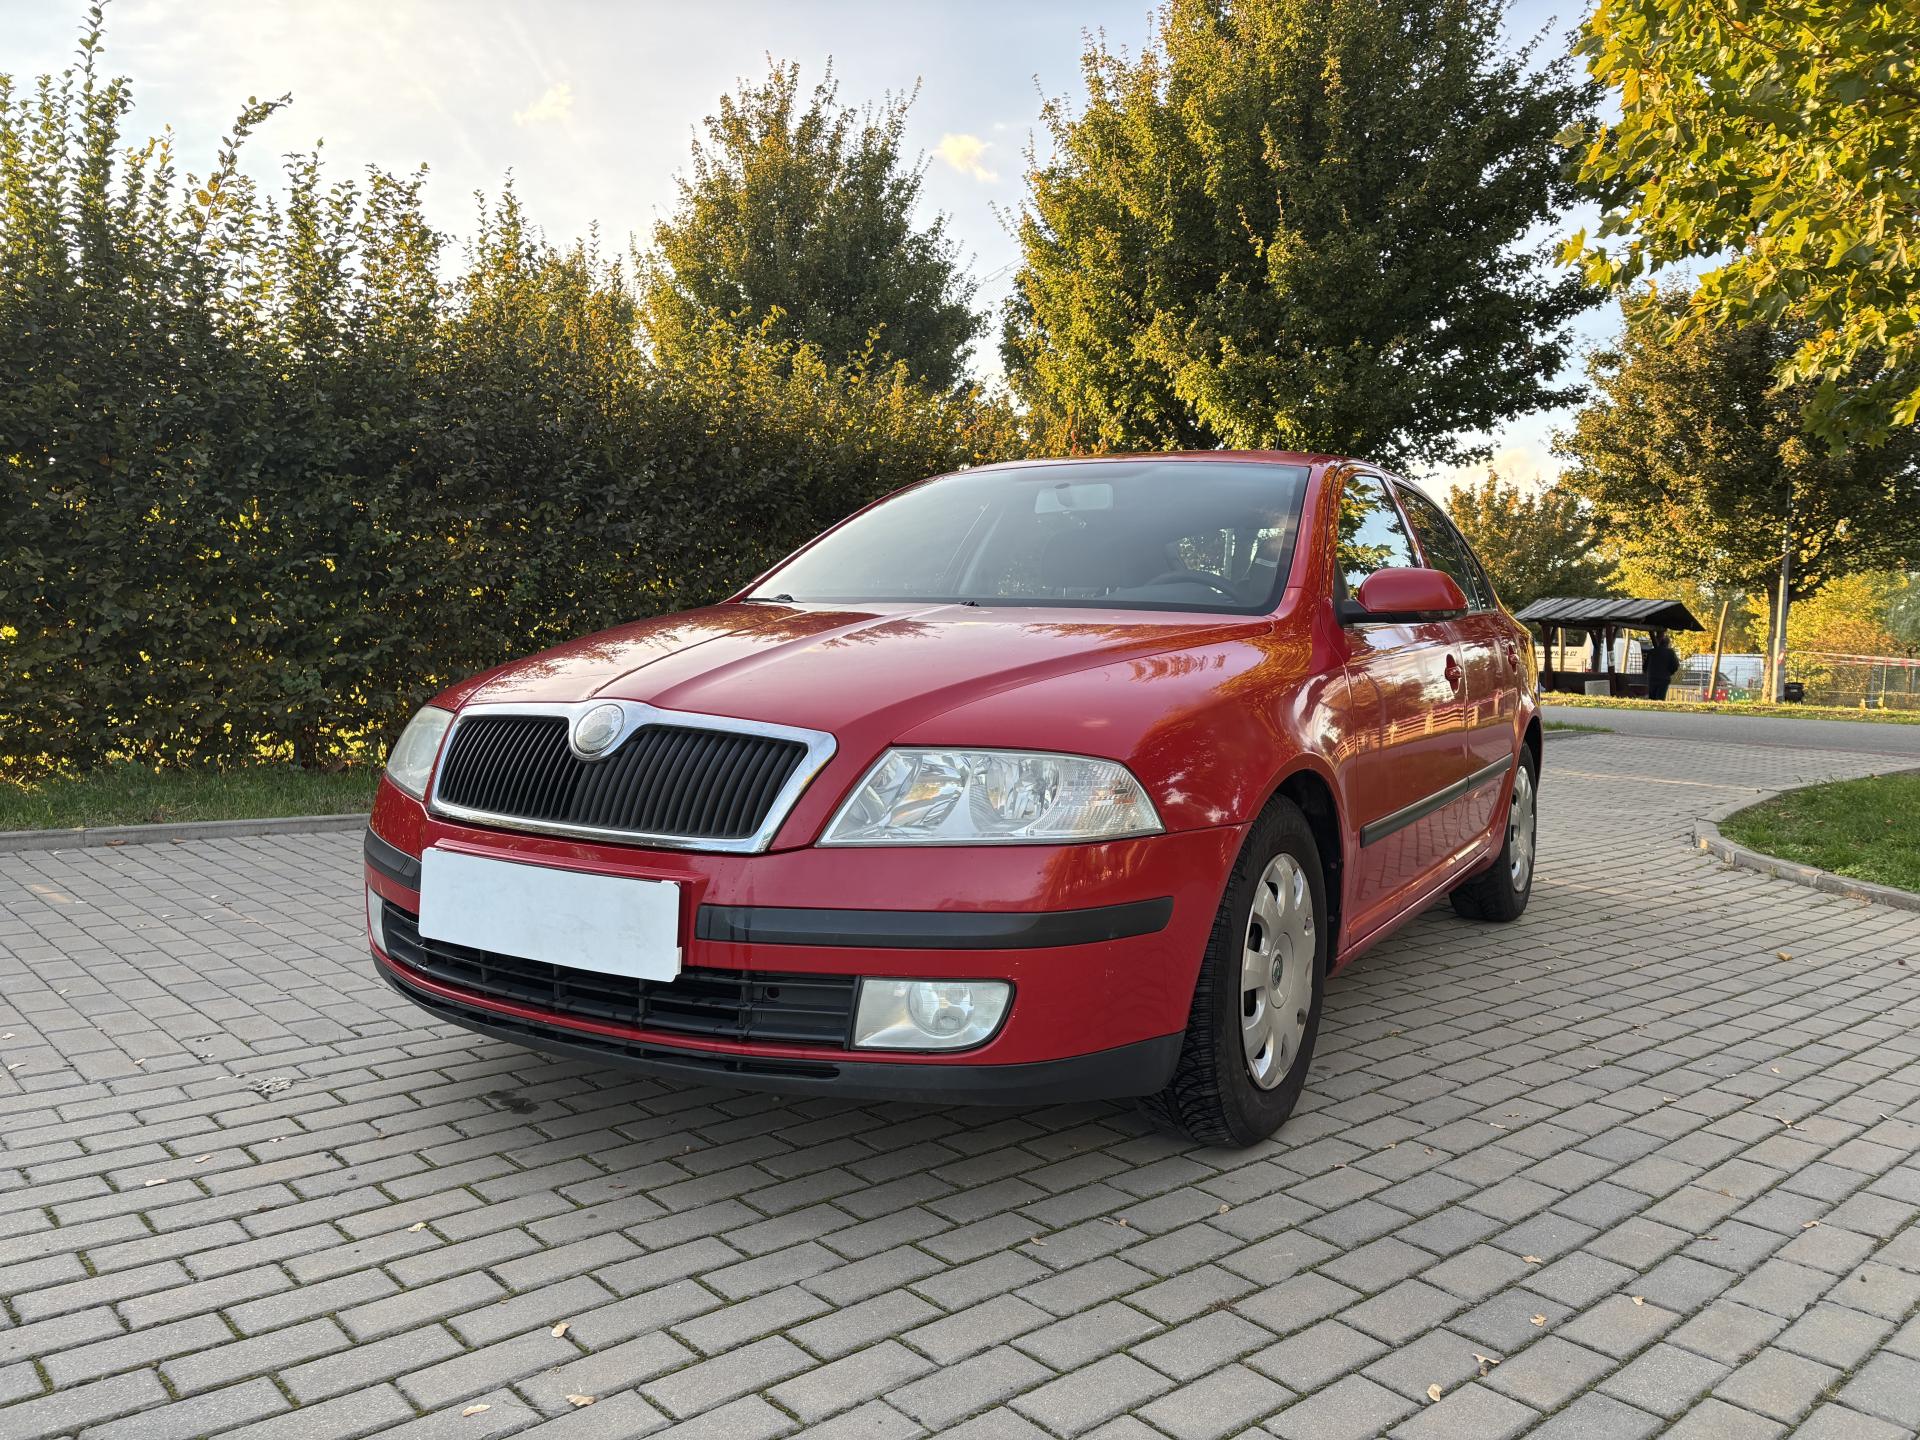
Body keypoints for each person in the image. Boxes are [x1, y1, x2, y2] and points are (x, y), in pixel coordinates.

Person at [1644, 628, 1680, 700]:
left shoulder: (1651, 652)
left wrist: (1648, 673)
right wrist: (1669, 673)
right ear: (1667, 644)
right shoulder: (1670, 653)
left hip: (1652, 678)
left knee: (1652, 697)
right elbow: (1675, 666)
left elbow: (1645, 666)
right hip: (1664, 678)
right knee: (1661, 697)